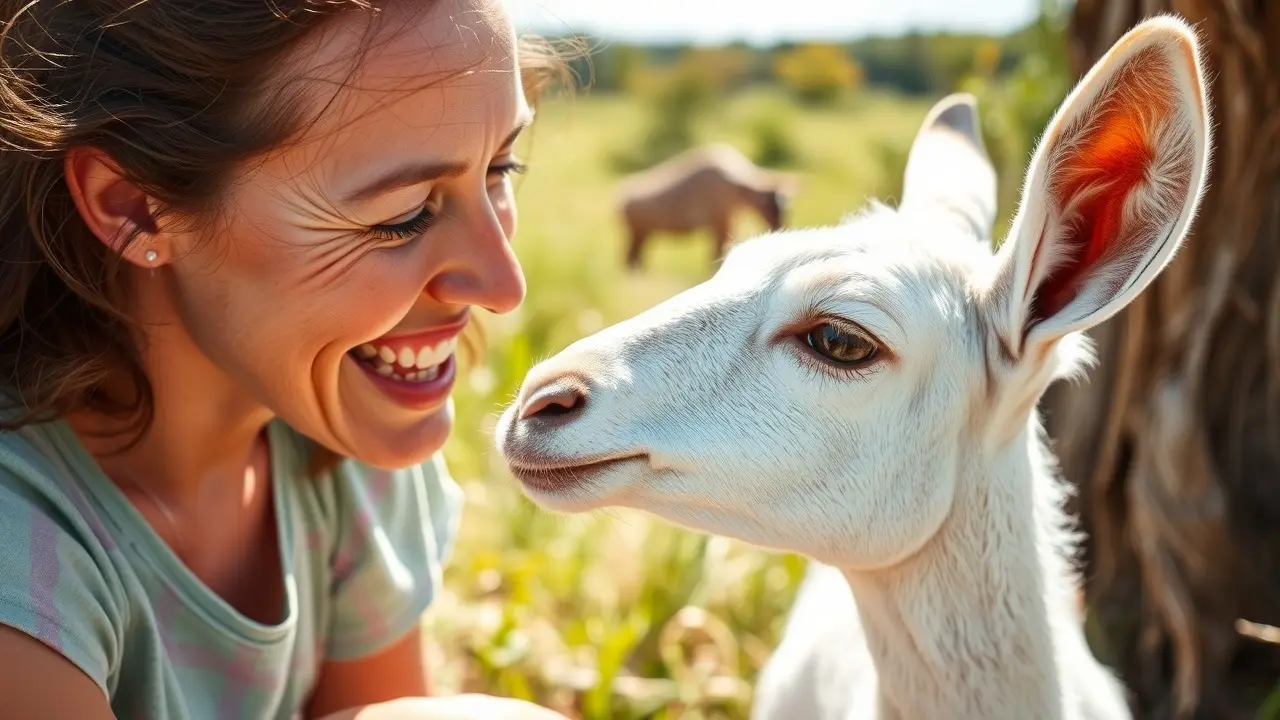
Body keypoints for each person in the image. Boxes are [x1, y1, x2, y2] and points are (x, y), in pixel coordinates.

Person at [0, 0, 574, 717]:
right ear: (133, 207)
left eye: (501, 167)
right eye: (400, 217)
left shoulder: (340, 428)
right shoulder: (20, 565)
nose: (503, 286)